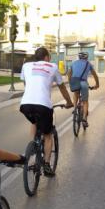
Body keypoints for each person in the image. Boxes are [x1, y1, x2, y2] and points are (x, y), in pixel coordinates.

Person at [20, 46, 73, 176]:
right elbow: (62, 88)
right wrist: (69, 102)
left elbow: (27, 84)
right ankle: (47, 166)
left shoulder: (26, 66)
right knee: (48, 135)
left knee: (34, 121)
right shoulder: (53, 66)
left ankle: (32, 146)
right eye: (49, 57)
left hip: (25, 105)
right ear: (46, 57)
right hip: (43, 106)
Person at [67, 52, 99, 128]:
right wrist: (97, 84)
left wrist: (70, 82)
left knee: (75, 94)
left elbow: (69, 74)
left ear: (79, 57)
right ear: (87, 58)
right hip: (84, 83)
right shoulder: (88, 64)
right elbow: (95, 75)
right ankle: (84, 119)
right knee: (85, 101)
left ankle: (75, 109)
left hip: (75, 82)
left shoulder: (74, 63)